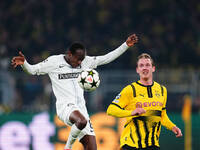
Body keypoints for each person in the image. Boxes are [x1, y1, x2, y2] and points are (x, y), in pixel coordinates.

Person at [11, 34, 138, 150]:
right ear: (69, 54)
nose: (79, 63)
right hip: (65, 107)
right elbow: (33, 70)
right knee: (81, 121)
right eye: (77, 59)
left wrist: (125, 45)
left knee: (92, 147)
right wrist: (24, 64)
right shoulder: (54, 62)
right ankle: (68, 147)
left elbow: (106, 58)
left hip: (81, 109)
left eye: (82, 60)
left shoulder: (85, 62)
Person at [106, 53, 182, 150]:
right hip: (131, 144)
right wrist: (131, 112)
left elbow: (162, 115)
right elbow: (110, 109)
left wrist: (172, 127)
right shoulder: (130, 89)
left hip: (153, 144)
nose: (144, 68)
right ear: (137, 70)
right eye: (141, 66)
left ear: (153, 68)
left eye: (147, 65)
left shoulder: (162, 90)